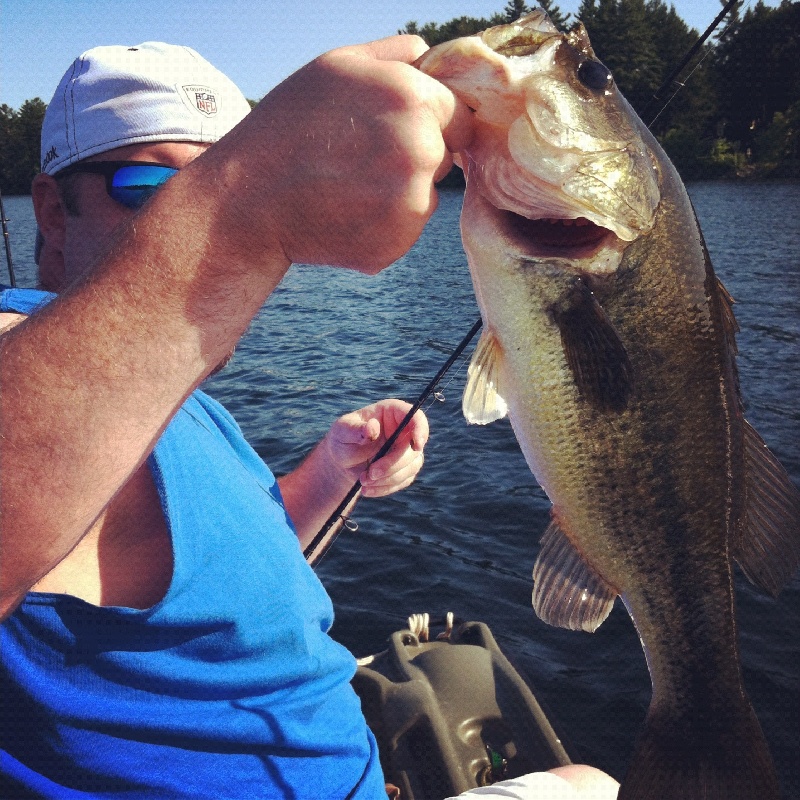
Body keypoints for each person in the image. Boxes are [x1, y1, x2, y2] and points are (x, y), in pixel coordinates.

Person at [0, 40, 618, 800]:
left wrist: (329, 474)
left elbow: (221, 583)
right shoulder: (19, 345)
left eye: (214, 179)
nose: (185, 218)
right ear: (54, 214)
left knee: (592, 780)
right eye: (157, 186)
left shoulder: (171, 397)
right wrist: (243, 209)